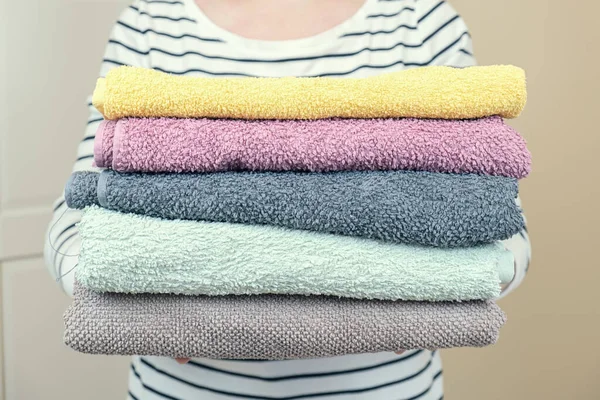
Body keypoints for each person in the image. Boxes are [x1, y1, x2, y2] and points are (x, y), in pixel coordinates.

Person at [45, 0, 531, 398]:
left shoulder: (420, 20)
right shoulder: (151, 21)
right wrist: (159, 310)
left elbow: (494, 228)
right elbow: (79, 218)